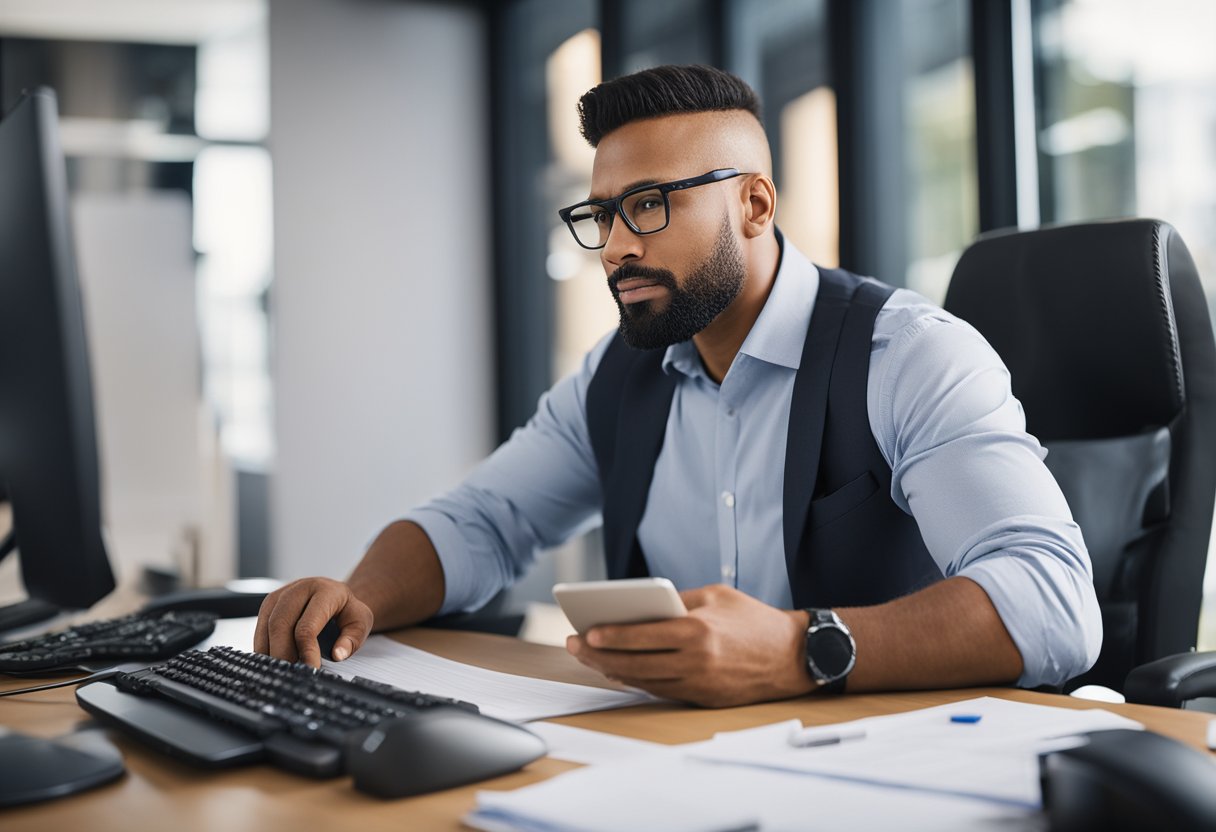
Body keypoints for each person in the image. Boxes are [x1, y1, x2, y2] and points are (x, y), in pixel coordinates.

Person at [255, 65, 1101, 707]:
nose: (616, 246)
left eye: (651, 205)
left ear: (756, 205)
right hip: (677, 765)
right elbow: (482, 521)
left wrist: (800, 648)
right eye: (602, 215)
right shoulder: (618, 375)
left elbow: (1054, 601)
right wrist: (356, 597)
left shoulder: (908, 356)